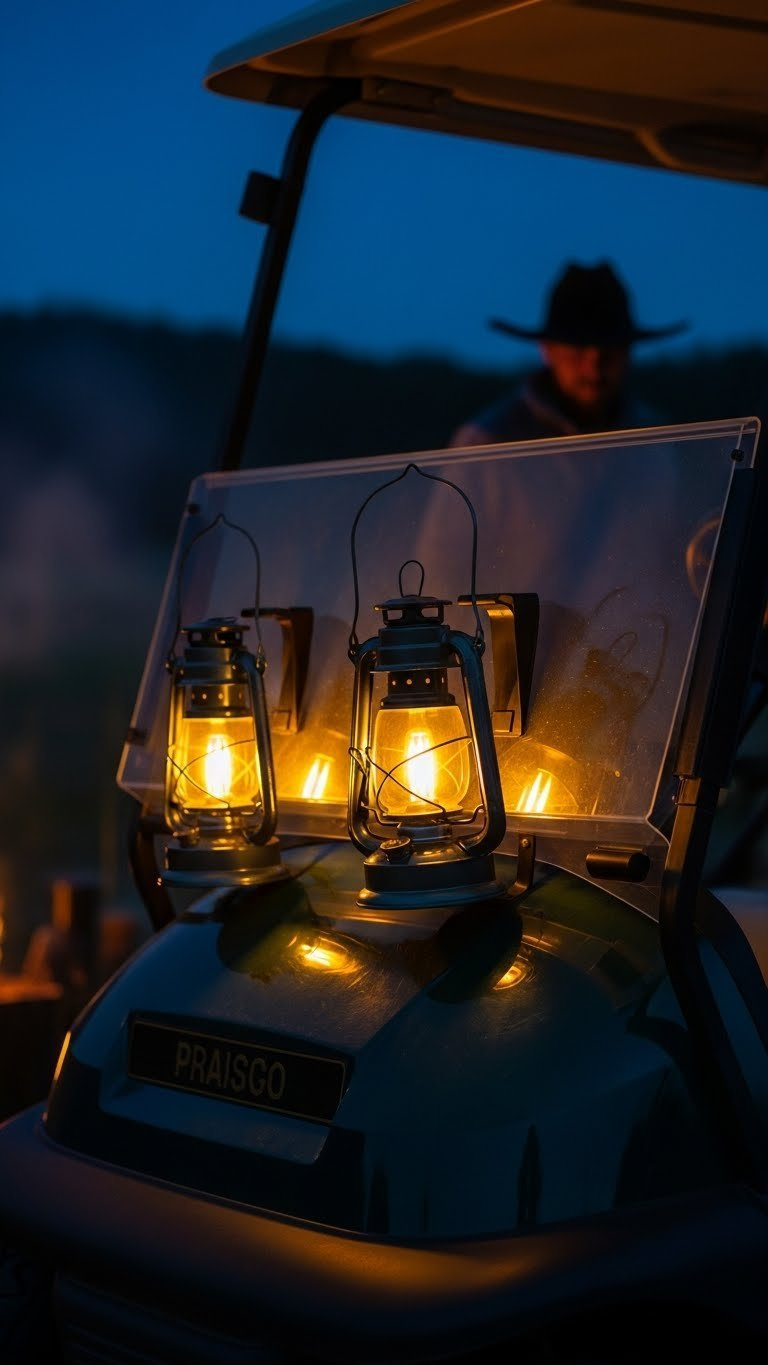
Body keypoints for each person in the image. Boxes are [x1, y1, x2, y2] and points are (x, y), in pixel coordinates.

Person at [449, 261, 687, 447]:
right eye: (578, 351)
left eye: (609, 351)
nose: (594, 367)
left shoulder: (656, 440)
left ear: (628, 352)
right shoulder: (489, 441)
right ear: (547, 350)